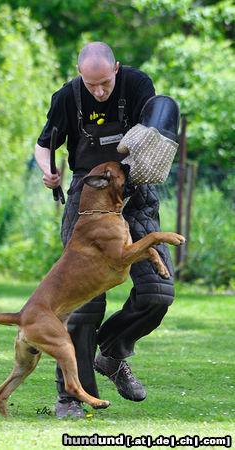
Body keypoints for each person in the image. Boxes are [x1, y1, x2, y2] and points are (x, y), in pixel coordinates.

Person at [35, 42, 176, 418]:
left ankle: (112, 354)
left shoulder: (137, 84)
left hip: (135, 190)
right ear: (80, 74)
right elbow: (43, 143)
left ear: (116, 67)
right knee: (84, 305)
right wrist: (47, 172)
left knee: (157, 294)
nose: (98, 91)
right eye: (90, 84)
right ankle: (71, 396)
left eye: (104, 83)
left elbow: (155, 130)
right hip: (88, 198)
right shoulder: (67, 96)